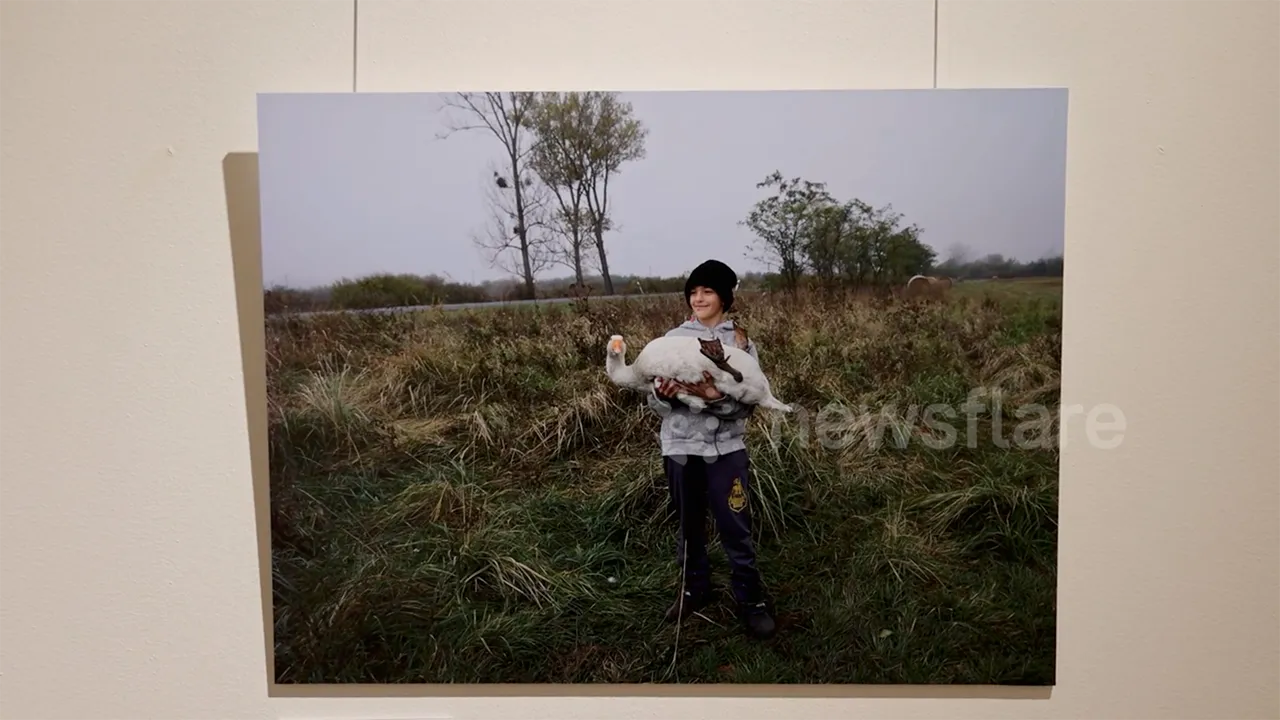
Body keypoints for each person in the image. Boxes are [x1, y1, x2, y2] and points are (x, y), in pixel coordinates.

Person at [646, 258, 777, 640]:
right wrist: (663, 396)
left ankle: (749, 597)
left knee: (736, 523)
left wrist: (714, 398)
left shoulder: (741, 344)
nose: (698, 298)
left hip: (726, 449)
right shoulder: (670, 340)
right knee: (688, 522)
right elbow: (653, 403)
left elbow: (749, 402)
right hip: (680, 447)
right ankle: (694, 589)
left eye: (707, 291)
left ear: (724, 297)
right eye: (693, 292)